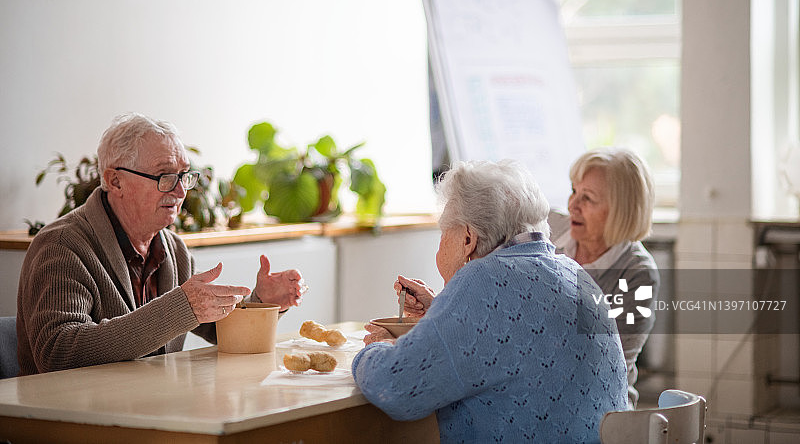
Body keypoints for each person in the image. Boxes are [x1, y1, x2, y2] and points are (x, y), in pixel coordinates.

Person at [352, 160, 628, 443]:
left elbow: (397, 386)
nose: (441, 244)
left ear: (468, 238)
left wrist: (378, 347)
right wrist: (441, 309)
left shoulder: (483, 279)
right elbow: (515, 336)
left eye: (444, 232)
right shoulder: (574, 272)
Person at [16, 113, 306, 375]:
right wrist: (179, 309)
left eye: (184, 176)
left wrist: (263, 303)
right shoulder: (62, 245)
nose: (180, 191)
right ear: (115, 181)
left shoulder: (174, 249)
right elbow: (58, 352)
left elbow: (216, 328)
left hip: (151, 412)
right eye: (165, 176)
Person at [548, 147, 660, 408]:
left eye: (587, 198)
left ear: (620, 211)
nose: (572, 205)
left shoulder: (638, 274)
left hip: (602, 405)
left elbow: (610, 361)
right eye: (574, 190)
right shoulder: (549, 227)